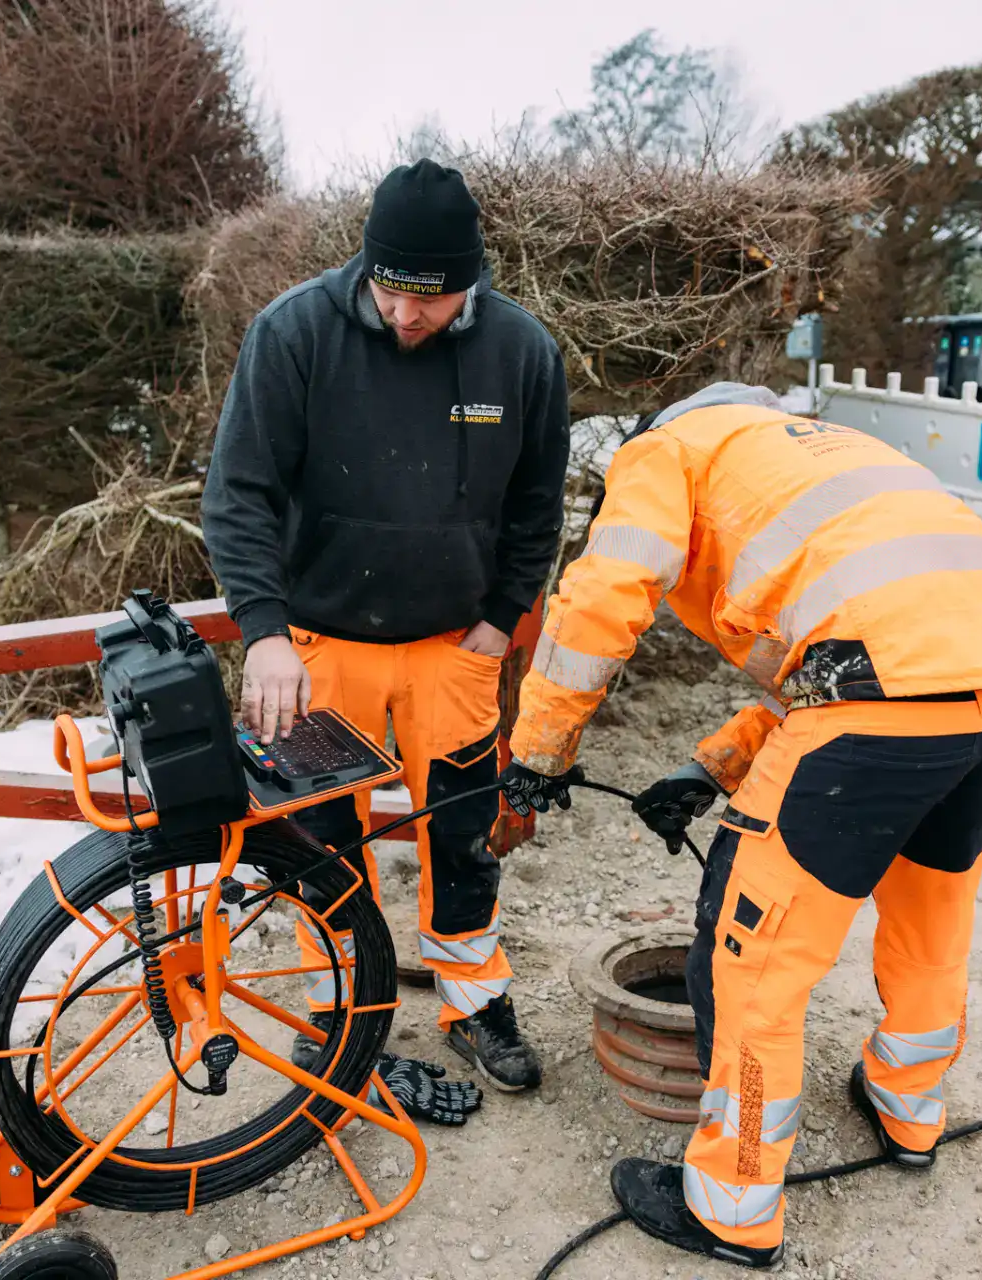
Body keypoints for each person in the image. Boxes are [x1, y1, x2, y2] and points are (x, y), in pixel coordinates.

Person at [499, 382, 982, 1267]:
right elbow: (842, 662)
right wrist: (709, 768)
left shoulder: (668, 450)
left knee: (751, 950)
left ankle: (731, 1203)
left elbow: (603, 596)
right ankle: (907, 1107)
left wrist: (538, 750)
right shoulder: (827, 457)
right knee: (931, 912)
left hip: (885, 707)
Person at [204, 158, 570, 1102]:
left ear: (470, 281)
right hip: (321, 650)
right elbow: (238, 494)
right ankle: (342, 1008)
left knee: (464, 839)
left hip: (455, 653)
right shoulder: (293, 334)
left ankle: (474, 998)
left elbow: (538, 502)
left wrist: (503, 613)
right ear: (368, 266)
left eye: (433, 299)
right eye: (393, 292)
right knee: (324, 845)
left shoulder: (522, 353)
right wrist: (266, 630)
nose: (409, 316)